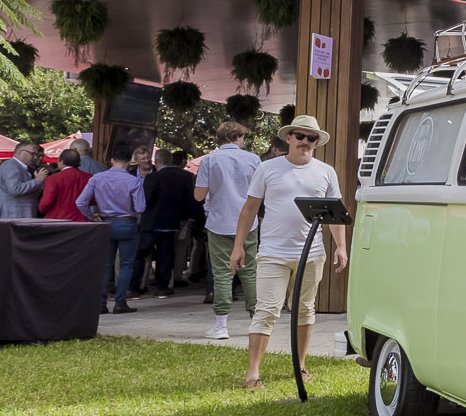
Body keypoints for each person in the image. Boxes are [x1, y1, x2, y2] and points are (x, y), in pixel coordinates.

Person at [233, 115, 346, 389]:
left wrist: (341, 246)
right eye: (300, 136)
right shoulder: (268, 168)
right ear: (288, 138)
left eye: (311, 138)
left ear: (317, 142)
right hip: (272, 252)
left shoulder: (326, 171)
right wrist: (238, 246)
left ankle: (301, 365)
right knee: (267, 309)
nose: (305, 142)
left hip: (312, 253)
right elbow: (250, 208)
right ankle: (253, 374)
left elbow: (336, 212)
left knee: (305, 310)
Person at [194, 122, 261, 340]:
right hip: (248, 223)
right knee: (249, 272)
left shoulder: (210, 160)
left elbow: (199, 195)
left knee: (222, 273)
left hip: (219, 222)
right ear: (239, 136)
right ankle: (256, 321)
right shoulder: (253, 159)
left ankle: (221, 324)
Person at [77, 143, 147, 313]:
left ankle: (101, 303)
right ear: (129, 161)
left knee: (105, 265)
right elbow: (140, 208)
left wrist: (91, 216)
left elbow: (80, 202)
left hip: (105, 222)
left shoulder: (97, 178)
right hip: (127, 223)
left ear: (112, 160)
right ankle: (120, 302)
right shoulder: (134, 181)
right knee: (125, 265)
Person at [134, 149, 196, 298]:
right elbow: (189, 200)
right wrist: (189, 218)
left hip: (151, 222)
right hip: (172, 222)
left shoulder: (152, 178)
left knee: (140, 254)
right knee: (165, 255)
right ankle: (162, 288)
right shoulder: (185, 177)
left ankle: (134, 288)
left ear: (157, 161)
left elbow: (146, 200)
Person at [0, 140, 46, 220]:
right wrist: (38, 180)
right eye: (33, 154)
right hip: (11, 215)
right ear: (19, 152)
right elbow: (15, 189)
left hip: (15, 215)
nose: (35, 157)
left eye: (36, 154)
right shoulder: (11, 166)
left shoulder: (18, 166)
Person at [38, 150, 91, 220]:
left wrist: (40, 210)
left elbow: (46, 202)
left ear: (61, 161)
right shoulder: (89, 177)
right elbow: (93, 199)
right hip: (81, 218)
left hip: (57, 219)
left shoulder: (53, 178)